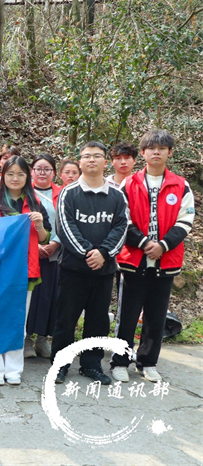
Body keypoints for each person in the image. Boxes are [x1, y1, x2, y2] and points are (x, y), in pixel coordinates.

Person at [111, 130, 194, 383]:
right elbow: (122, 220)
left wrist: (163, 245)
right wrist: (145, 243)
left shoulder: (181, 185)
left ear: (170, 152)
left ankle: (147, 362)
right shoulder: (129, 183)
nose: (156, 152)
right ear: (143, 153)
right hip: (133, 259)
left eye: (161, 148)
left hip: (166, 260)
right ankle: (120, 362)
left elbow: (185, 220)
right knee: (127, 315)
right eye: (151, 148)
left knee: (156, 316)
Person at [51, 141, 129, 385]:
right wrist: (88, 253)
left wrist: (103, 253)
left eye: (97, 156)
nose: (92, 160)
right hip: (73, 269)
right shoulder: (68, 193)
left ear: (105, 162)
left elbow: (121, 227)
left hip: (104, 271)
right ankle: (60, 365)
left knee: (98, 322)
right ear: (80, 161)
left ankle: (91, 365)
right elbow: (65, 227)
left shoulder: (117, 195)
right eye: (87, 156)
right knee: (66, 320)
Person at [0, 155, 50, 385]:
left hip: (25, 270)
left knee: (17, 320)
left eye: (21, 174)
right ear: (2, 176)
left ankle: (13, 369)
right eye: (10, 174)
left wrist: (39, 225)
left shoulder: (35, 202)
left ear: (27, 177)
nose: (15, 178)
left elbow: (44, 237)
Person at [25, 154, 62, 359]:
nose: (42, 172)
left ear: (54, 173)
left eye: (47, 169)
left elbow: (66, 221)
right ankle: (25, 339)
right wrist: (36, 245)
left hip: (53, 253)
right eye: (38, 168)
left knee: (48, 296)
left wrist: (55, 243)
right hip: (29, 253)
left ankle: (42, 338)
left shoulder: (62, 193)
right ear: (31, 172)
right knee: (31, 296)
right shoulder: (24, 192)